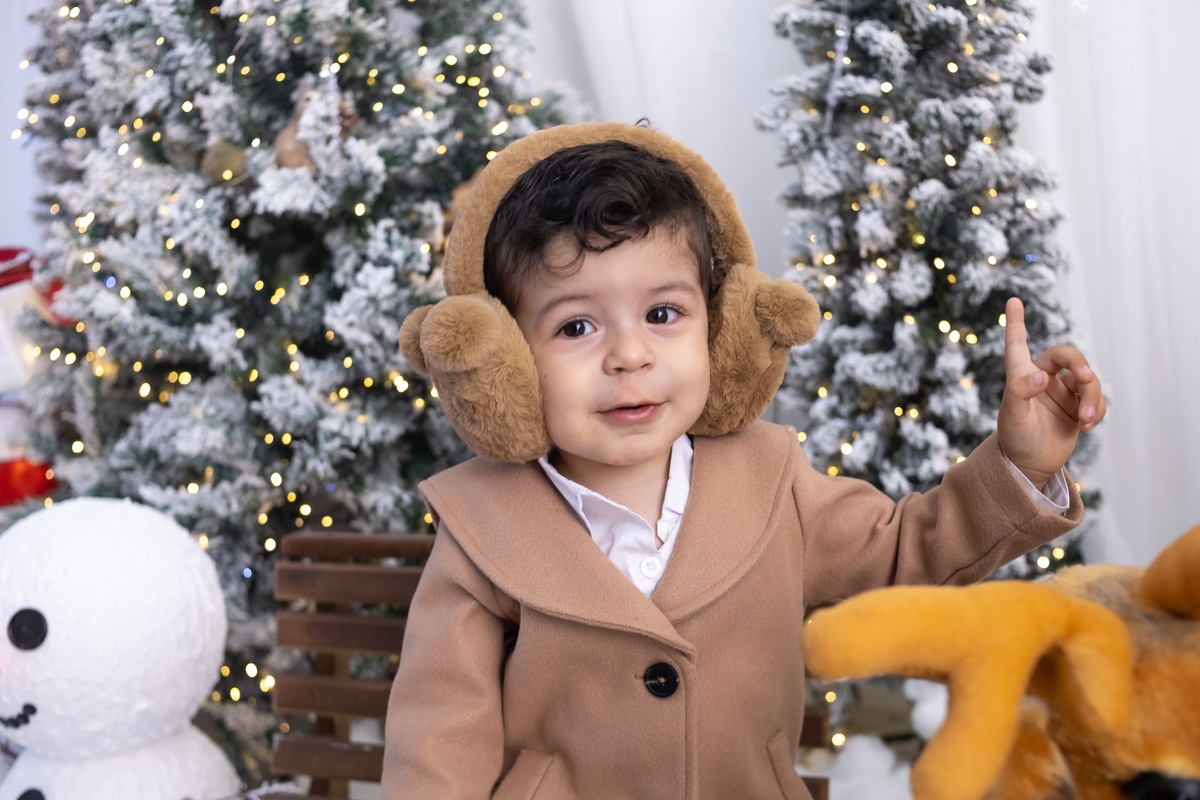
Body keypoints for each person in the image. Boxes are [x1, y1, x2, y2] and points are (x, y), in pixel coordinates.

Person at [382, 121, 1104, 799]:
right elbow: (440, 738)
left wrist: (1019, 464)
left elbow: (908, 550)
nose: (630, 356)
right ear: (507, 359)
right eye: (576, 325)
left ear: (722, 331)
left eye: (663, 315)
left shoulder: (771, 481)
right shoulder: (482, 530)